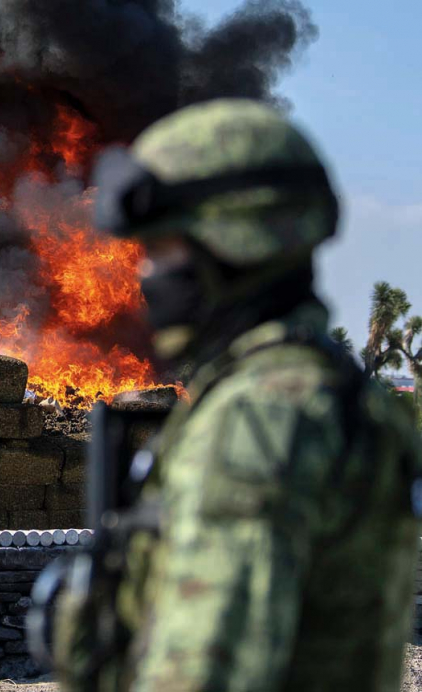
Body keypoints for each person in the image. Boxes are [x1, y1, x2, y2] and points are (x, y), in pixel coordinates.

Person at [53, 99, 422, 692]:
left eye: (163, 250)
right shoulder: (351, 399)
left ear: (235, 239)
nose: (146, 276)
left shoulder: (258, 417)